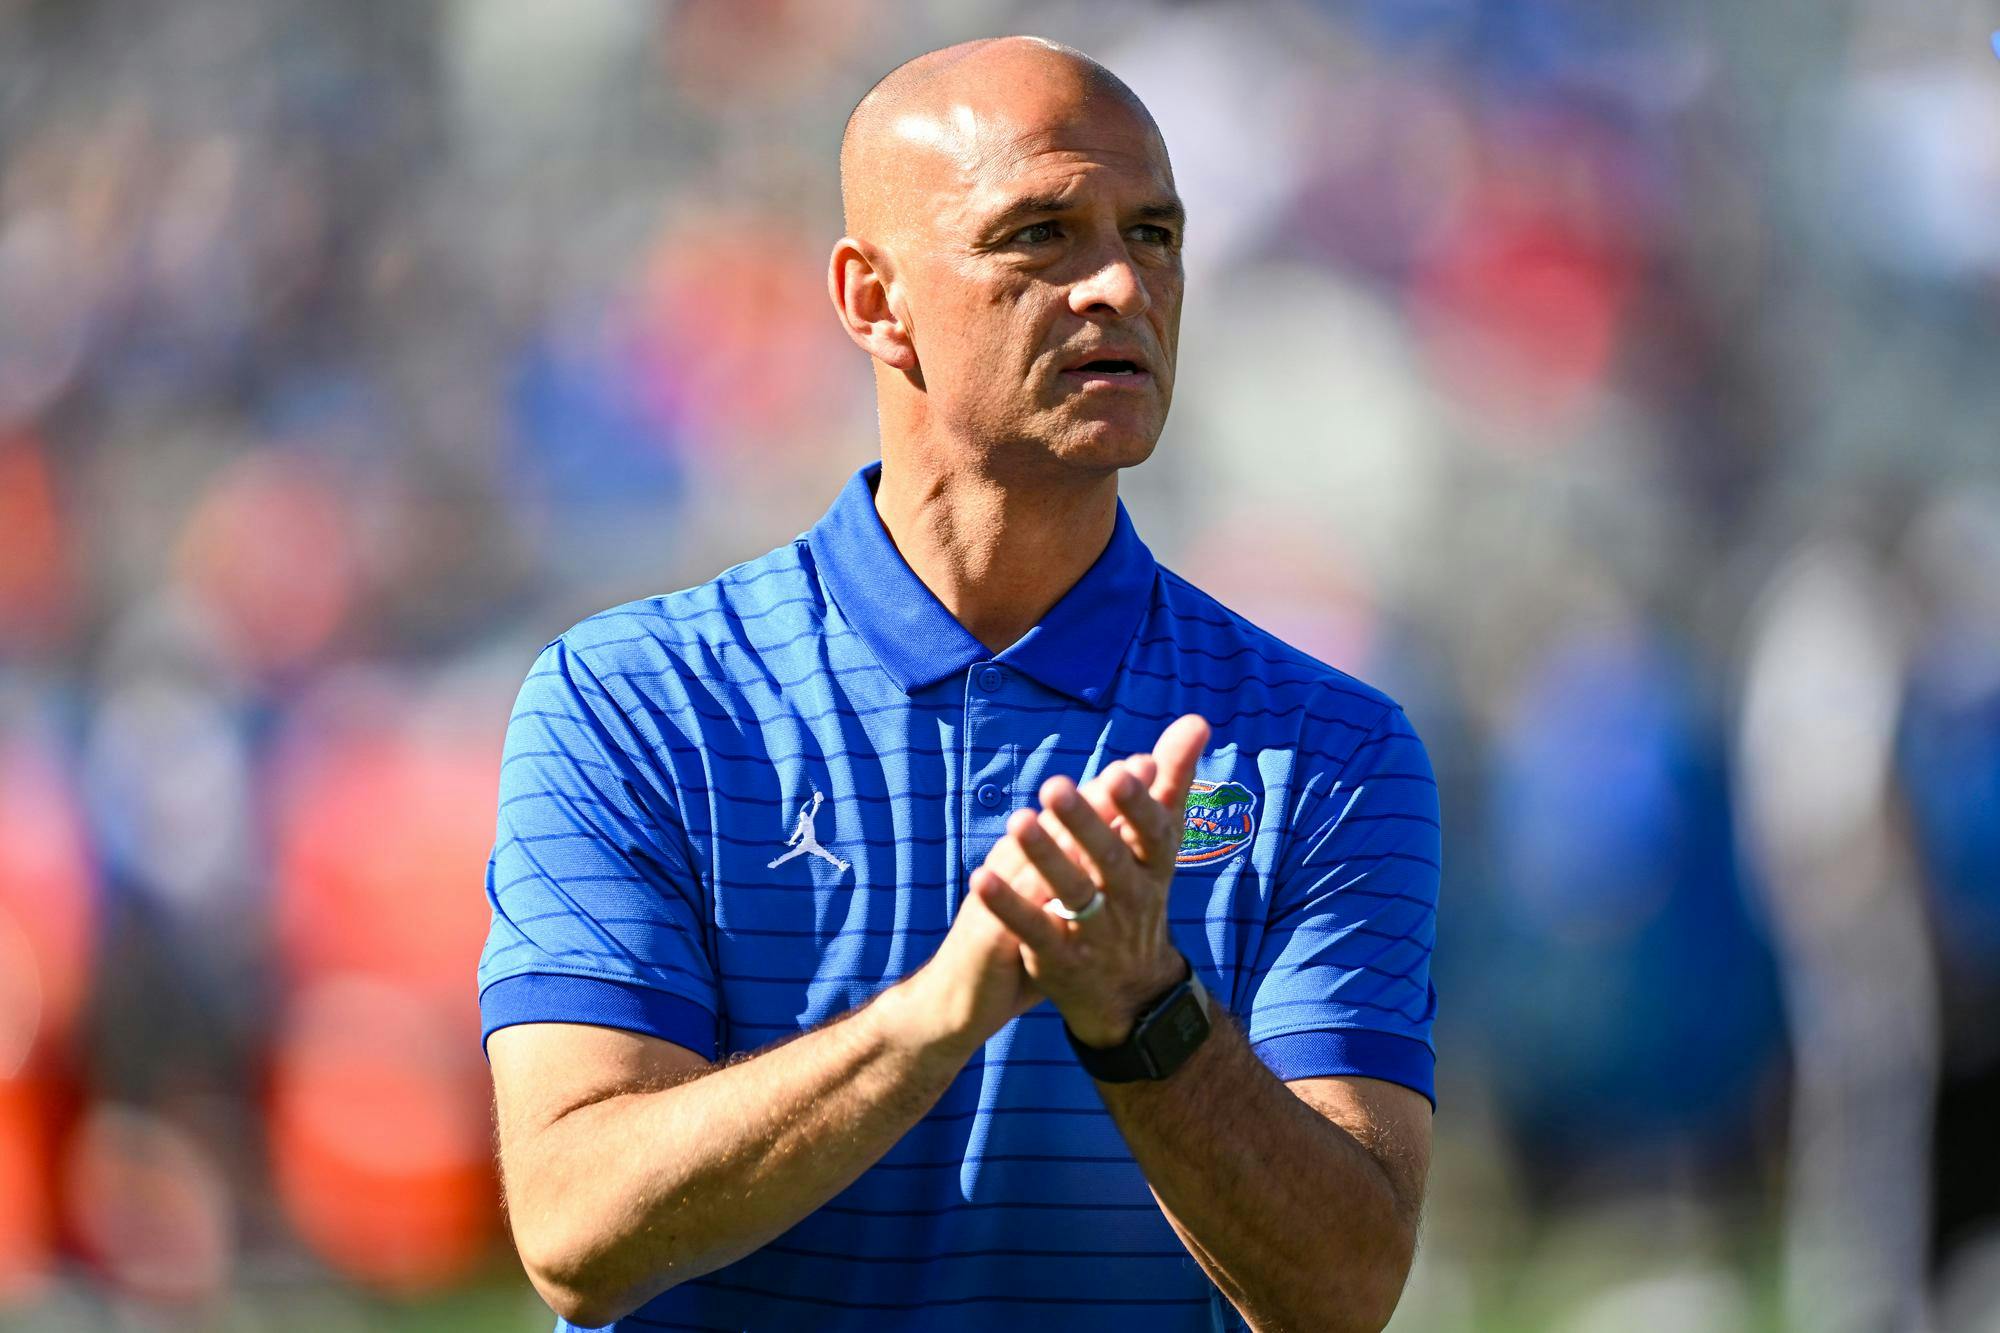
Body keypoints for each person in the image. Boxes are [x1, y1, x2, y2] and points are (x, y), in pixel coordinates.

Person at [478, 34, 1440, 1332]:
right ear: (874, 300)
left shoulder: (1324, 747)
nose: (1120, 283)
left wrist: (1143, 1008)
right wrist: (940, 1014)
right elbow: (575, 1228)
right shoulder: (634, 704)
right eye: (1040, 234)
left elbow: (1344, 1291)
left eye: (1153, 234)